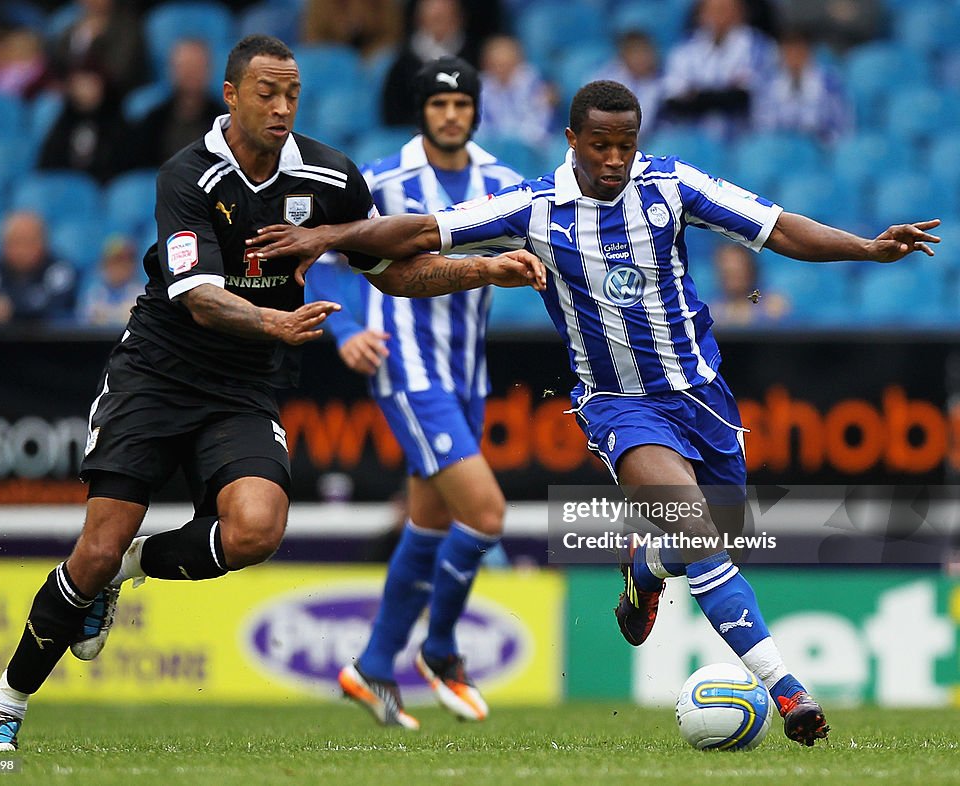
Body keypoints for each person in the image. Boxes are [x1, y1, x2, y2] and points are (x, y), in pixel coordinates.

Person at [245, 80, 942, 747]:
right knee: (699, 530)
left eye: (625, 146)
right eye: (600, 146)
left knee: (706, 529)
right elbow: (421, 230)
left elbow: (778, 229)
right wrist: (327, 237)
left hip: (704, 398)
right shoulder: (533, 206)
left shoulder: (671, 185)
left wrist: (868, 248)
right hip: (618, 405)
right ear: (573, 139)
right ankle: (788, 688)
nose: (614, 160)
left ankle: (646, 569)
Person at [0, 34, 542, 753]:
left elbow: (392, 272)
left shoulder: (330, 178)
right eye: (266, 92)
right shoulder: (188, 174)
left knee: (256, 530)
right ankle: (7, 703)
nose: (281, 106)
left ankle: (132, 565)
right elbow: (200, 296)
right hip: (157, 372)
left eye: (292, 94)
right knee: (90, 552)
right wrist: (274, 320)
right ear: (231, 95)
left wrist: (483, 271)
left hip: (244, 386)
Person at [308, 56, 523, 729]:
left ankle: (372, 668)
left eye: (462, 105)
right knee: (485, 515)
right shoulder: (382, 180)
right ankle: (440, 648)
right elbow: (322, 257)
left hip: (467, 373)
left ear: (476, 111)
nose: (451, 115)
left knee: (430, 523)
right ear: (421, 112)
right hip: (407, 367)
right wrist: (342, 330)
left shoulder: (505, 181)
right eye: (438, 105)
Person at [660, 0, 778, 139]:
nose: (718, 16)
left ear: (740, 12)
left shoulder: (760, 47)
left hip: (744, 138)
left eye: (725, 9)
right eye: (712, 10)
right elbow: (674, 102)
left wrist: (697, 95)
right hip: (695, 139)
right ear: (701, 14)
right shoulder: (684, 49)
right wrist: (723, 94)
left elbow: (744, 98)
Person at [0, 210, 78, 327]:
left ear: (43, 242)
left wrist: (9, 309)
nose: (20, 250)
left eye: (27, 242)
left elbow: (54, 306)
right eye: (13, 242)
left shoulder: (60, 270)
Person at [124, 39, 227, 171]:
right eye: (184, 67)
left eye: (196, 66)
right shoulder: (151, 123)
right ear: (171, 71)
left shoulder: (226, 123)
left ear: (209, 70)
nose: (190, 73)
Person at [753, 28, 851, 145]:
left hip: (820, 149)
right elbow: (762, 125)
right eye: (788, 51)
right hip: (781, 148)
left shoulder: (831, 83)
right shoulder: (766, 85)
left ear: (809, 51)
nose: (793, 56)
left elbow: (842, 125)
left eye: (798, 51)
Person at [478, 36, 555, 147]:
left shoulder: (533, 83)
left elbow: (541, 124)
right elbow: (480, 128)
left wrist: (516, 140)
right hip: (494, 147)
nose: (501, 70)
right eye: (496, 65)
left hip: (529, 147)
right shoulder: (480, 87)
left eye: (506, 64)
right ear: (486, 65)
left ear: (518, 62)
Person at [708, 241, 788, 325]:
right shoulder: (712, 311)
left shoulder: (773, 305)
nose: (733, 278)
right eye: (727, 272)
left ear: (750, 269)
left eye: (738, 271)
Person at [77, 234, 144, 327]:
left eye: (126, 262)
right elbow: (84, 322)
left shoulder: (141, 293)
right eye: (116, 261)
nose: (120, 267)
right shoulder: (94, 293)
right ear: (105, 264)